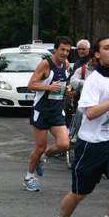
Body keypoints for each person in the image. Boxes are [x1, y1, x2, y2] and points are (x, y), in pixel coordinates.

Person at [47, 35, 109, 217]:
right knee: (80, 192)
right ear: (97, 54)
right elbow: (92, 113)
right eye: (107, 48)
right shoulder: (95, 80)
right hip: (92, 144)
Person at [24, 36, 74, 191]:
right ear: (55, 49)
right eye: (62, 50)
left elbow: (63, 85)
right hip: (42, 111)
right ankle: (29, 177)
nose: (65, 53)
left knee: (64, 144)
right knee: (39, 147)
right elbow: (31, 85)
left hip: (57, 111)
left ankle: (42, 159)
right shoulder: (46, 64)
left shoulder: (66, 65)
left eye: (67, 50)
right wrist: (49, 88)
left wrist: (67, 91)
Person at [69, 55, 97, 144]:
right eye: (97, 60)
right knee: (80, 112)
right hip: (85, 101)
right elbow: (72, 80)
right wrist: (83, 83)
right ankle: (78, 136)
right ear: (91, 59)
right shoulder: (82, 70)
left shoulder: (104, 69)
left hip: (100, 102)